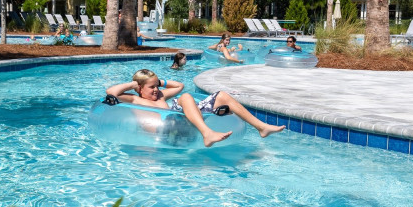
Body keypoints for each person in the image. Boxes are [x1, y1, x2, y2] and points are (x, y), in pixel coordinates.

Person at [105, 69, 285, 147]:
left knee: (221, 95)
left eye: (156, 86)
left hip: (178, 118)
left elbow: (179, 85)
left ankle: (261, 127)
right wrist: (134, 83)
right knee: (185, 98)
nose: (156, 90)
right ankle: (207, 133)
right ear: (139, 89)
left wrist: (158, 81)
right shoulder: (134, 100)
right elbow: (111, 91)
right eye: (151, 87)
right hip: (166, 129)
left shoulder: (160, 95)